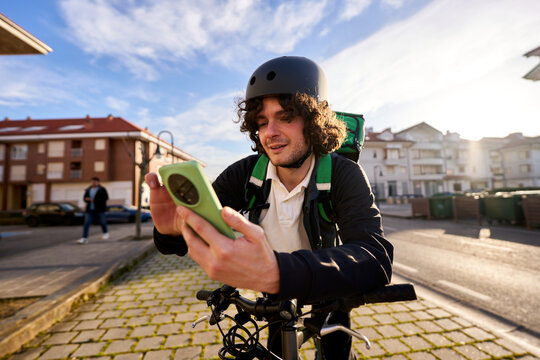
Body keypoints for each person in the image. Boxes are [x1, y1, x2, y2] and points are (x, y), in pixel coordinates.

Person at [146, 56, 393, 359]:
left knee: (335, 350)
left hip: (327, 286)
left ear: (315, 120)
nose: (269, 132)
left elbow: (375, 256)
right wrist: (171, 230)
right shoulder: (246, 174)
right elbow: (192, 232)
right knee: (276, 350)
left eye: (286, 117)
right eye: (261, 122)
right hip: (275, 291)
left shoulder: (343, 174)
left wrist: (277, 271)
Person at [78, 177, 109, 244]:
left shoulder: (102, 189)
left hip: (100, 209)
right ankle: (84, 238)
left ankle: (105, 233)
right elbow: (84, 198)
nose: (93, 183)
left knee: (102, 222)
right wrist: (86, 199)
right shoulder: (88, 189)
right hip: (89, 209)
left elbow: (106, 198)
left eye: (95, 182)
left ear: (98, 182)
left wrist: (94, 200)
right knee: (86, 223)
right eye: (92, 182)